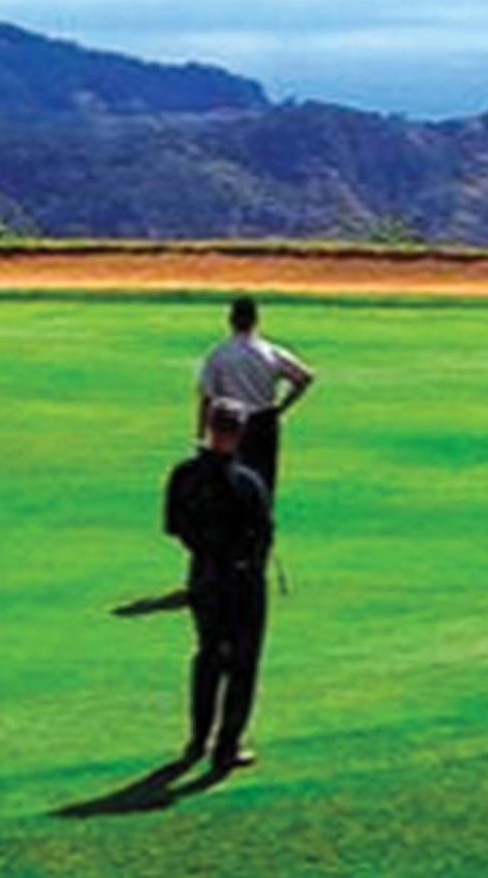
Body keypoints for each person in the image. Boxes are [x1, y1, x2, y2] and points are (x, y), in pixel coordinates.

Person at [164, 397, 273, 770]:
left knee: (209, 654)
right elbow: (262, 533)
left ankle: (198, 739)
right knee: (242, 662)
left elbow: (177, 528)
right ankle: (227, 744)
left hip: (203, 573)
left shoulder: (183, 475)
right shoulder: (247, 482)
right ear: (240, 432)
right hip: (241, 579)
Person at [198, 295, 315, 497]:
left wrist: (202, 431)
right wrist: (281, 407)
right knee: (263, 481)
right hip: (264, 421)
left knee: (227, 481)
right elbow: (304, 377)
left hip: (230, 421)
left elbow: (207, 396)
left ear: (231, 320)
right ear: (256, 320)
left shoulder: (219, 354)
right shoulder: (269, 351)